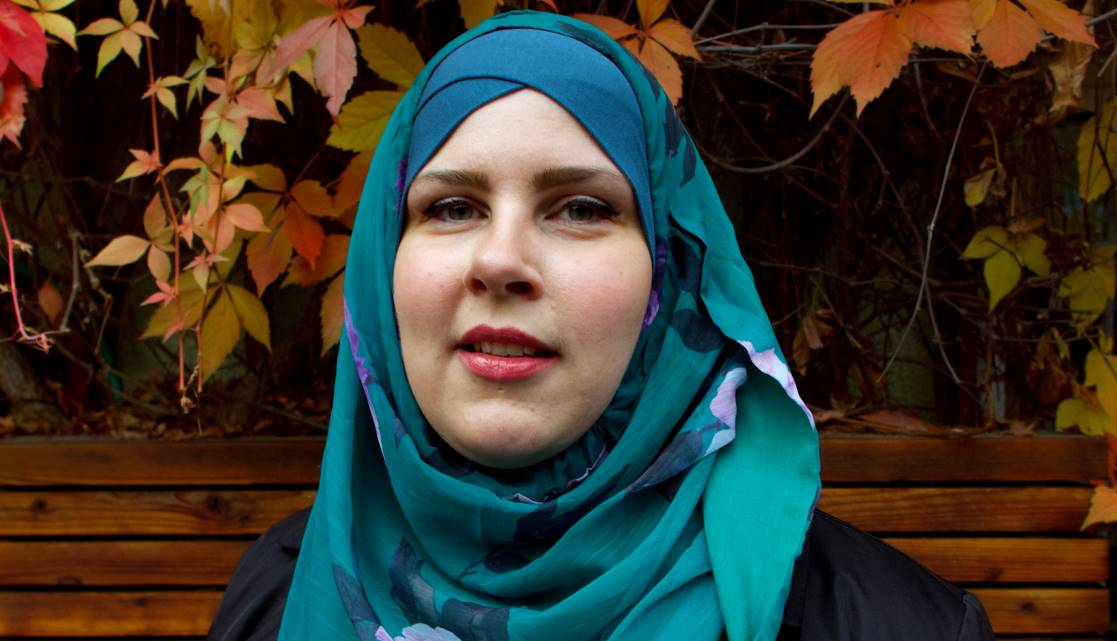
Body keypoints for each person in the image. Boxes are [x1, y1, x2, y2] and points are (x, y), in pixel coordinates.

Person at [209, 11, 995, 641]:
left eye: (581, 208)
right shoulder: (274, 599)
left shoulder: (896, 625)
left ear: (670, 277)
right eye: (451, 207)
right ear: (384, 264)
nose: (501, 260)